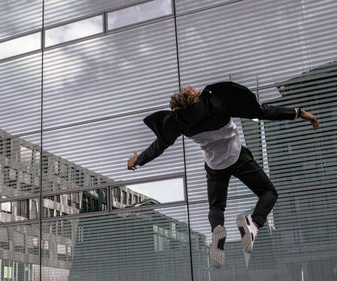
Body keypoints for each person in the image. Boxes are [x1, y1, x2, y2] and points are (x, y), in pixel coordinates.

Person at [127, 81, 319, 268]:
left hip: (215, 165)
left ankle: (218, 233)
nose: (194, 87)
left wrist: (137, 160)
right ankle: (252, 226)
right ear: (194, 96)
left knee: (216, 207)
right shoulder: (217, 103)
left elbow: (159, 146)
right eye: (192, 89)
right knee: (269, 193)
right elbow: (261, 112)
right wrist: (299, 113)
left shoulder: (180, 122)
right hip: (237, 157)